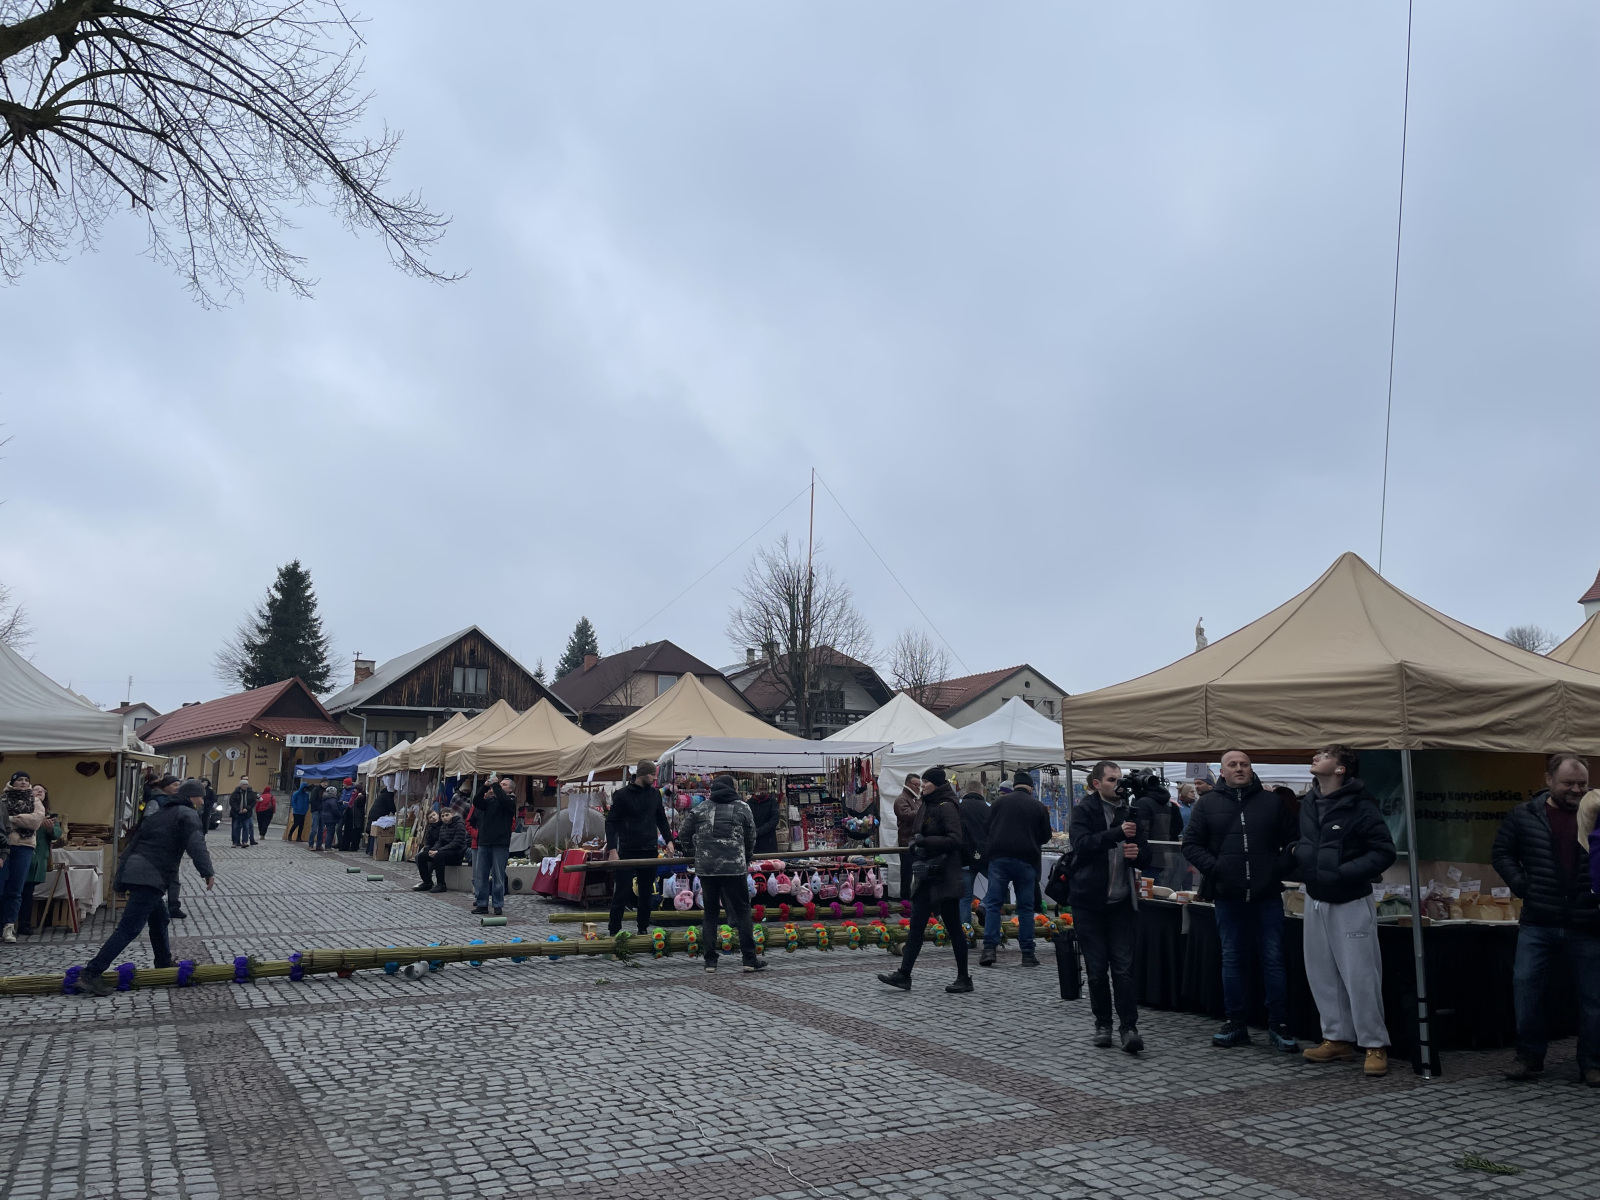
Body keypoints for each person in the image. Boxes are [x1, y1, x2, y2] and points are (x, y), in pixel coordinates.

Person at [1181, 749, 1299, 1052]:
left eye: (1244, 764)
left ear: (1251, 768)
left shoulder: (1271, 802)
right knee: (1233, 958)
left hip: (1267, 895)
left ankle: (1279, 1023)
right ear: (1222, 771)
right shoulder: (1207, 804)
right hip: (1228, 895)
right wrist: (1217, 869)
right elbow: (1191, 844)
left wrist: (1277, 868)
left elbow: (1294, 841)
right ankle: (1236, 1022)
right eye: (1232, 765)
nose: (1239, 768)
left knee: (1273, 959)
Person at [1493, 752, 1600, 1085]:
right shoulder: (1524, 815)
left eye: (1582, 783)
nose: (1577, 790)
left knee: (1594, 998)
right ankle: (1529, 1057)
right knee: (1527, 988)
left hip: (1588, 921)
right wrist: (1523, 885)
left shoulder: (1597, 813)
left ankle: (1593, 1063)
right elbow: (1502, 853)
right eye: (1569, 783)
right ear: (1548, 780)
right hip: (1539, 920)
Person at [1291, 744, 1396, 1078]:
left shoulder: (1362, 806)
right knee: (1321, 972)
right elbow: (1306, 843)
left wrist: (1344, 872)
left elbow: (1383, 852)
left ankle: (1374, 1043)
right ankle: (1336, 1037)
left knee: (1360, 975)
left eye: (1324, 756)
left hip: (1350, 900)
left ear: (1340, 769)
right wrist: (1297, 855)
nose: (1315, 758)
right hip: (1315, 897)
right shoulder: (1309, 802)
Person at [79, 779, 216, 996]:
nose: (203, 801)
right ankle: (90, 973)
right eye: (201, 797)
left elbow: (134, 843)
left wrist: (121, 877)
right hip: (151, 875)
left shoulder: (160, 813)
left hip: (139, 871)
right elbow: (196, 843)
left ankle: (163, 961)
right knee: (129, 929)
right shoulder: (187, 814)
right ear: (192, 797)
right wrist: (207, 871)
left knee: (160, 918)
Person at [1068, 760, 1149, 1053]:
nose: (1118, 784)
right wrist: (1117, 833)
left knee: (1124, 969)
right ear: (1097, 783)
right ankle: (1103, 1024)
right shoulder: (1084, 810)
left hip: (1121, 903)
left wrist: (1138, 853)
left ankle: (1129, 1027)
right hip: (1088, 902)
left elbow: (1145, 853)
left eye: (1119, 779)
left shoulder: (1130, 811)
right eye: (1111, 780)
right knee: (1097, 969)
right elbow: (1081, 844)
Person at [878, 768, 973, 994]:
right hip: (926, 876)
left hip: (945, 875)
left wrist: (926, 842)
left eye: (927, 782)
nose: (922, 785)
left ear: (937, 784)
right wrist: (915, 846)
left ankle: (964, 977)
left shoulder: (947, 806)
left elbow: (956, 839)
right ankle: (904, 974)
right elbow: (914, 835)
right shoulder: (925, 805)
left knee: (953, 927)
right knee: (917, 925)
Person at [679, 774, 764, 972]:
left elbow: (683, 834)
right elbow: (751, 836)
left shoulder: (700, 808)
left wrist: (693, 853)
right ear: (732, 788)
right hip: (734, 867)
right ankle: (749, 959)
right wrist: (745, 856)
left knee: (710, 913)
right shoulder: (742, 807)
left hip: (707, 868)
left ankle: (710, 961)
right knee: (742, 911)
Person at [979, 771, 1051, 968]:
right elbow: (1045, 836)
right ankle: (1027, 953)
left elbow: (986, 828)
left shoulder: (998, 803)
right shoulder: (1038, 806)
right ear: (1031, 788)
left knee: (993, 904)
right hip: (1026, 860)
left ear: (1015, 785)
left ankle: (989, 949)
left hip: (999, 859)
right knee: (1025, 908)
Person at [604, 760, 674, 937]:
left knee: (646, 893)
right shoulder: (622, 795)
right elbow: (611, 822)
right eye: (652, 775)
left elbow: (661, 819)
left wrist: (669, 840)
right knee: (622, 892)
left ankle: (643, 928)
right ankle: (614, 930)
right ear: (642, 774)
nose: (655, 778)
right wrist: (612, 849)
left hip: (649, 849)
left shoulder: (654, 795)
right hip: (628, 850)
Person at [1, 771, 47, 943]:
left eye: (26, 780)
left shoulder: (34, 801)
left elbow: (36, 821)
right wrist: (21, 820)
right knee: (1, 887)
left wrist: (12, 819)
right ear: (12, 782)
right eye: (19, 779)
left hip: (24, 846)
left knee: (16, 889)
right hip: (3, 846)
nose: (23, 782)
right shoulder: (3, 799)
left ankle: (8, 927)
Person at [16, 788, 62, 938]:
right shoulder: (22, 810)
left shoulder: (50, 815)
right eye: (35, 789)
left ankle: (24, 924)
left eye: (42, 790)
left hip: (37, 859)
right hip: (21, 855)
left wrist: (50, 828)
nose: (39, 792)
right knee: (14, 892)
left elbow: (57, 834)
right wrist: (36, 823)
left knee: (28, 893)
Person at [143, 775, 189, 918]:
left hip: (172, 844)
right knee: (156, 876)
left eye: (179, 785)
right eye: (175, 785)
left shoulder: (176, 801)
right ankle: (154, 906)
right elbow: (147, 822)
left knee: (174, 876)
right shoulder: (155, 800)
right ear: (165, 786)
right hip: (157, 844)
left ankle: (173, 906)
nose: (177, 788)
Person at [471, 776, 517, 916]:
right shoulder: (490, 801)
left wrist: (496, 786)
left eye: (504, 784)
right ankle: (482, 904)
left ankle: (497, 905)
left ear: (510, 790)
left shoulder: (510, 801)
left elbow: (503, 800)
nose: (500, 785)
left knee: (498, 876)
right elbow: (476, 801)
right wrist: (485, 786)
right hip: (484, 842)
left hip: (500, 844)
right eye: (500, 783)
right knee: (481, 876)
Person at [413, 807, 467, 892]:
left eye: (447, 815)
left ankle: (441, 884)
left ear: (452, 815)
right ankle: (427, 882)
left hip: (456, 852)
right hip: (444, 850)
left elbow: (456, 843)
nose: (445, 818)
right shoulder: (443, 826)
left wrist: (439, 850)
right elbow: (440, 841)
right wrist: (433, 849)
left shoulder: (459, 824)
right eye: (443, 816)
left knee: (439, 856)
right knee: (422, 856)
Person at [958, 779, 991, 920]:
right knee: (998, 885)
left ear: (965, 791)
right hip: (986, 856)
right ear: (981, 792)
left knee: (965, 898)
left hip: (964, 856)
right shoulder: (989, 807)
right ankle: (984, 905)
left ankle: (965, 930)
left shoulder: (958, 807)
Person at [892, 774, 924, 901]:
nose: (918, 788)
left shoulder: (916, 799)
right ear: (908, 784)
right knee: (907, 874)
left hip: (917, 842)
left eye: (919, 785)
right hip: (906, 843)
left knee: (918, 873)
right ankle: (905, 901)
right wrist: (923, 811)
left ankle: (915, 899)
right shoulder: (901, 800)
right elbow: (906, 815)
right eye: (915, 785)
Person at [749, 789, 781, 855]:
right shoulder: (749, 803)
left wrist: (758, 831)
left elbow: (774, 820)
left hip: (769, 843)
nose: (761, 791)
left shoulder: (772, 802)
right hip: (754, 844)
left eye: (763, 788)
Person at [315, 783, 344, 851]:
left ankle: (327, 846)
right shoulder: (332, 800)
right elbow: (334, 809)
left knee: (329, 831)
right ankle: (328, 846)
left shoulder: (325, 798)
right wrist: (339, 815)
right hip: (331, 817)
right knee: (330, 832)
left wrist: (339, 803)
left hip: (325, 816)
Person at [228, 779, 255, 847]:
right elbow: (232, 801)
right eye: (244, 785)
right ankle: (235, 842)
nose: (245, 786)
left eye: (246, 784)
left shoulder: (250, 792)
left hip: (246, 813)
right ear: (240, 785)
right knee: (235, 828)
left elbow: (253, 802)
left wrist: (247, 809)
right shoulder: (235, 792)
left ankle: (244, 842)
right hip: (236, 813)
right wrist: (238, 809)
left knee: (246, 827)